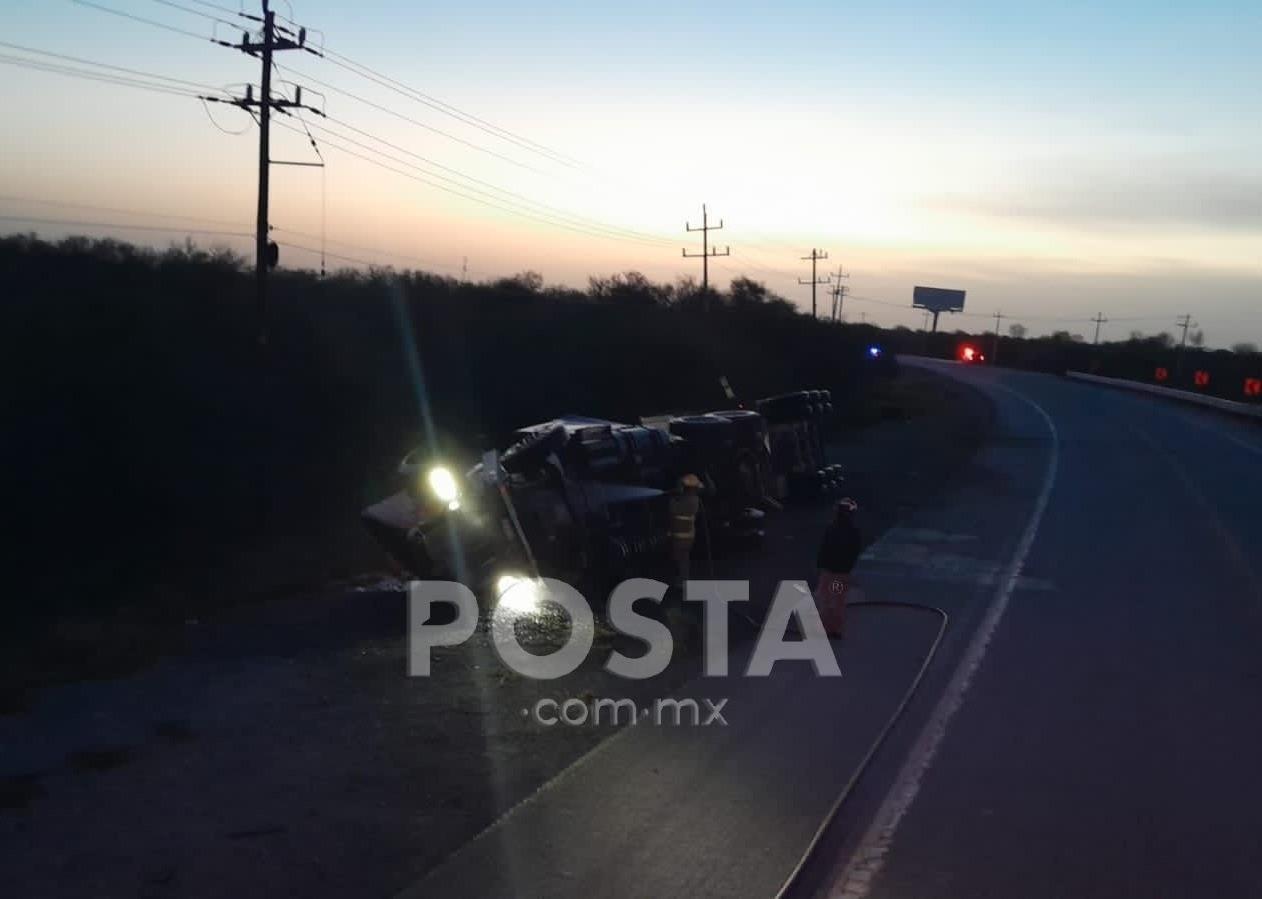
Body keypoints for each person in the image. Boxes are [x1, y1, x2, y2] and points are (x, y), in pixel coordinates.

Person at [814, 497, 862, 637]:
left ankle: (826, 627)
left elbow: (824, 548)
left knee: (825, 599)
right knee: (838, 600)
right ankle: (836, 628)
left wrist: (820, 565)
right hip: (842, 572)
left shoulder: (832, 528)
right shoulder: (853, 531)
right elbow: (854, 552)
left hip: (830, 571)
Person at [668, 474, 703, 588]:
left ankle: (681, 583)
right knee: (684, 560)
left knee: (680, 560)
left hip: (681, 537)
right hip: (687, 536)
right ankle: (683, 581)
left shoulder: (688, 500)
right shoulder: (694, 498)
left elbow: (673, 509)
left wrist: (672, 497)